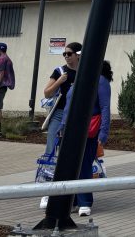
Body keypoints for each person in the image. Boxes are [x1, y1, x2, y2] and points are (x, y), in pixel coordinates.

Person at [59, 59, 112, 217]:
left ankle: (85, 202)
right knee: (68, 165)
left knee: (83, 165)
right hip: (70, 129)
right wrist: (62, 126)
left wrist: (103, 132)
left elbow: (105, 107)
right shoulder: (77, 81)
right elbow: (68, 105)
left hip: (89, 130)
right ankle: (73, 201)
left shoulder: (100, 81)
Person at [38, 41, 81, 209]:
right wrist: (60, 81)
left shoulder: (85, 71)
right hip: (59, 114)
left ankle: (73, 194)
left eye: (69, 53)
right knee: (51, 150)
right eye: (64, 54)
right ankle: (46, 192)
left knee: (72, 153)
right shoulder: (60, 71)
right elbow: (47, 92)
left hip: (77, 116)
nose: (66, 57)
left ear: (78, 54)